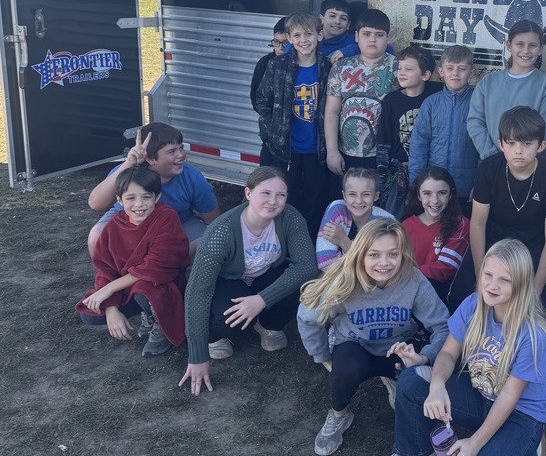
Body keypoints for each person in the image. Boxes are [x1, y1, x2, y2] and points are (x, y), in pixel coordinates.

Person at [370, 239, 546, 456]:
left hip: (519, 416)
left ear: (522, 284)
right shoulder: (474, 304)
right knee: (413, 379)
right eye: (488, 275)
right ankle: (416, 450)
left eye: (505, 280)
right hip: (483, 397)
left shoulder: (534, 334)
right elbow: (446, 353)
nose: (492, 285)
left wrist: (475, 443)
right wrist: (437, 386)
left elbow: (510, 396)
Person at [470, 106, 546, 427]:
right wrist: (483, 275)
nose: (518, 150)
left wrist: (534, 289)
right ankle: (479, 371)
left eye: (526, 143)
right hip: (494, 248)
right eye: (511, 143)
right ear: (500, 144)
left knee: (544, 321)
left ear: (542, 145)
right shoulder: (489, 169)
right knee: (472, 307)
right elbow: (478, 224)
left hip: (534, 252)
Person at [297, 218, 450, 456]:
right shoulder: (346, 278)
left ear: (403, 255)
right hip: (356, 346)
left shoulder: (413, 279)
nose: (384, 263)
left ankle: (396, 378)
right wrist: (323, 358)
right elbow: (307, 315)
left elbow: (443, 327)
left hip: (398, 348)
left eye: (393, 254)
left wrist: (423, 357)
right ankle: (339, 415)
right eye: (374, 255)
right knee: (343, 373)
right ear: (360, 254)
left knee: (420, 383)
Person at [179, 167, 317, 395]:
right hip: (227, 281)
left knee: (303, 284)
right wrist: (198, 354)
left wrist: (262, 300)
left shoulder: (290, 217)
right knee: (229, 322)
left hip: (262, 277)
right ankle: (214, 336)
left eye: (280, 195)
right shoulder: (221, 233)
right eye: (266, 193)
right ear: (248, 193)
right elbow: (198, 293)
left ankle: (268, 325)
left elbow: (307, 266)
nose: (273, 201)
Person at [76, 165, 191, 358]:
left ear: (157, 197)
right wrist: (110, 307)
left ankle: (160, 324)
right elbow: (106, 269)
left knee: (144, 290)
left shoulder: (166, 218)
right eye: (131, 198)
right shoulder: (114, 226)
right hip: (128, 284)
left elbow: (155, 267)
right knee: (89, 312)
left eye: (146, 197)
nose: (139, 204)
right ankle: (145, 310)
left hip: (162, 282)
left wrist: (109, 289)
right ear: (119, 200)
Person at [87, 122, 221, 258]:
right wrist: (129, 163)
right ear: (151, 159)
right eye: (172, 151)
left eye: (181, 148)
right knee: (97, 234)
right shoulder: (130, 171)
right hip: (129, 222)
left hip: (178, 224)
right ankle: (109, 277)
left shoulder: (191, 176)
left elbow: (214, 220)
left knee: (206, 241)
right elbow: (96, 204)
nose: (180, 155)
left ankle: (178, 275)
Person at [254, 11, 334, 239]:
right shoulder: (277, 66)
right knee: (285, 196)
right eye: (297, 35)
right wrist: (270, 134)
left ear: (320, 35)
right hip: (284, 148)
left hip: (316, 149)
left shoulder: (328, 69)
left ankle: (307, 243)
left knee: (314, 198)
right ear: (289, 38)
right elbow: (262, 100)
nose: (303, 40)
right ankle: (281, 240)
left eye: (309, 34)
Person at [466, 20, 546, 160]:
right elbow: (475, 122)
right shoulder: (488, 83)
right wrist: (491, 155)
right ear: (509, 45)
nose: (526, 51)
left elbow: (545, 132)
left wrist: (517, 159)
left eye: (533, 46)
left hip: (530, 169)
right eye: (520, 44)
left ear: (541, 48)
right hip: (491, 164)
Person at [324, 9, 399, 173]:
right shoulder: (341, 67)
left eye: (379, 35)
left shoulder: (398, 67)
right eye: (366, 34)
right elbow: (332, 110)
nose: (372, 39)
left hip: (384, 153)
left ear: (388, 38)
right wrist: (332, 151)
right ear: (356, 36)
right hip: (346, 153)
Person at [407, 44, 478, 215]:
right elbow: (419, 146)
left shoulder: (478, 102)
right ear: (441, 71)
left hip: (465, 189)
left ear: (471, 71)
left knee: (462, 234)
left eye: (462, 68)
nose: (455, 73)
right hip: (434, 190)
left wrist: (480, 184)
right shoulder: (431, 103)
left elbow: (485, 147)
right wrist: (416, 183)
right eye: (450, 68)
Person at [377, 46, 443, 215]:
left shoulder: (437, 95)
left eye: (409, 69)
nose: (402, 73)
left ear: (425, 75)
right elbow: (384, 142)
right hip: (399, 171)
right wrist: (382, 178)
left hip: (428, 169)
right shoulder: (391, 100)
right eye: (399, 68)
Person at [402, 167, 471, 310]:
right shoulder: (405, 226)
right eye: (427, 193)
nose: (435, 200)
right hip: (405, 293)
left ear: (451, 194)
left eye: (442, 193)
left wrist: (406, 276)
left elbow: (446, 268)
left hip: (440, 297)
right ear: (419, 195)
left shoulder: (461, 224)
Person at [315, 168, 395, 271]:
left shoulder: (387, 222)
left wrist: (344, 242)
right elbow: (325, 264)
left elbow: (381, 268)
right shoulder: (337, 210)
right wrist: (363, 259)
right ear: (344, 195)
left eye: (366, 194)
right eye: (352, 194)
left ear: (376, 196)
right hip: (339, 282)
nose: (359, 201)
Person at [250, 17, 289, 171]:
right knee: (267, 174)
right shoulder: (265, 63)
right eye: (275, 42)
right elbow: (256, 100)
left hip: (296, 138)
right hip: (271, 135)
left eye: (284, 43)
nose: (279, 47)